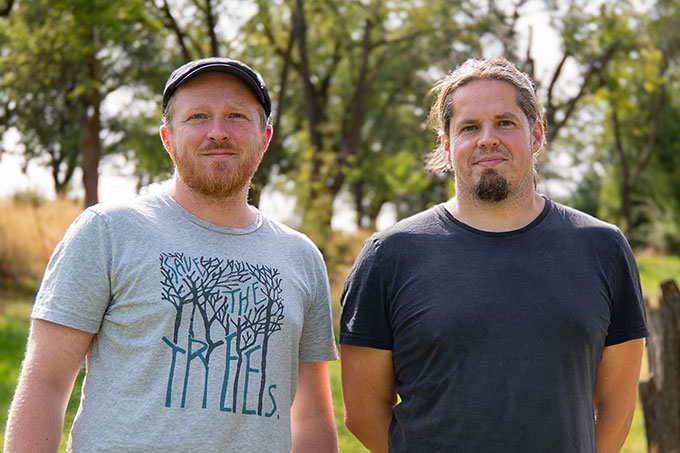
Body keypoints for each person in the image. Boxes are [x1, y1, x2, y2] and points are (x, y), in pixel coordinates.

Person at [5, 57, 338, 452]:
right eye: (198, 117)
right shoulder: (108, 231)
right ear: (167, 137)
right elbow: (45, 382)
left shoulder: (300, 257)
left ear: (265, 137)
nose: (218, 132)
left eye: (236, 116)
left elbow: (312, 415)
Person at [340, 57, 647, 453]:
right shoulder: (390, 256)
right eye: (469, 127)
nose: (487, 138)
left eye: (505, 122)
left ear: (535, 135)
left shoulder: (603, 247)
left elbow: (617, 405)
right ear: (447, 145)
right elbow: (363, 411)